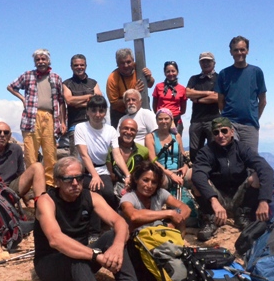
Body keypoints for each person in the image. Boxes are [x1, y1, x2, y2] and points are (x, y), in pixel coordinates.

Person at [33, 157, 166, 281]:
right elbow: (56, 240)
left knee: (112, 236)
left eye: (79, 178)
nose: (75, 183)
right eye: (68, 179)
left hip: (82, 255)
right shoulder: (46, 201)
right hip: (51, 264)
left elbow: (119, 221)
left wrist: (118, 246)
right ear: (57, 181)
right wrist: (97, 256)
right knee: (77, 258)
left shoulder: (91, 197)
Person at [192, 117, 274, 241]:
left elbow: (266, 169)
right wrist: (213, 201)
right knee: (193, 178)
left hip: (238, 197)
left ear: (232, 132)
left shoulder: (242, 149)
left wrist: (264, 200)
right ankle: (211, 218)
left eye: (224, 131)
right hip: (218, 198)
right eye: (216, 132)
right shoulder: (207, 152)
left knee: (256, 177)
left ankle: (242, 215)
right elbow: (198, 175)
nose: (220, 135)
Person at [7, 49, 66, 187]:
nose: (40, 62)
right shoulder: (28, 75)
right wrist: (23, 98)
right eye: (38, 60)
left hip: (50, 117)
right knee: (30, 154)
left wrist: (63, 122)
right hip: (31, 117)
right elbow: (11, 87)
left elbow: (61, 101)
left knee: (50, 153)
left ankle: (50, 184)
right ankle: (33, 185)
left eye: (43, 59)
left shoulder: (56, 77)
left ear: (48, 61)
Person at [74, 96, 130, 237]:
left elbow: (116, 155)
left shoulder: (110, 130)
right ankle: (94, 233)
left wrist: (128, 175)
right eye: (93, 110)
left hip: (101, 169)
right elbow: (84, 155)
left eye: (101, 110)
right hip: (83, 170)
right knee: (96, 190)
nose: (97, 114)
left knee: (110, 194)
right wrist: (94, 176)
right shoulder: (81, 128)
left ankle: (111, 222)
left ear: (105, 112)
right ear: (87, 111)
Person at [215, 36, 267, 154]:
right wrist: (226, 119)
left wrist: (254, 118)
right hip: (230, 123)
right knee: (231, 158)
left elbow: (263, 101)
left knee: (251, 160)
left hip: (250, 125)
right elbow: (220, 101)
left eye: (242, 49)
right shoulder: (224, 74)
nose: (239, 53)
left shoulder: (256, 72)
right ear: (231, 52)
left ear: (247, 50)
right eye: (236, 50)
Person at [119, 161, 191, 235]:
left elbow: (185, 208)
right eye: (145, 180)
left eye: (154, 182)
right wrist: (169, 213)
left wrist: (174, 222)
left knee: (180, 222)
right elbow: (134, 216)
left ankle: (179, 243)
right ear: (136, 179)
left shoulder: (160, 193)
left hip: (155, 235)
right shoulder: (128, 198)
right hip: (134, 238)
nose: (149, 185)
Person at [63, 54, 103, 157]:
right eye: (76, 65)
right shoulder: (66, 84)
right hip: (75, 125)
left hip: (93, 124)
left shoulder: (93, 83)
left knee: (94, 156)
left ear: (86, 66)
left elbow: (99, 101)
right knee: (76, 157)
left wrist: (77, 102)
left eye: (82, 65)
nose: (79, 67)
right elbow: (69, 100)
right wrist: (89, 97)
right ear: (71, 67)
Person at [106, 48, 155, 128]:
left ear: (133, 61)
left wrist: (149, 77)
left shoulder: (139, 68)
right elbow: (114, 104)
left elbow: (150, 84)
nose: (126, 65)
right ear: (117, 64)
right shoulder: (112, 78)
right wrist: (133, 93)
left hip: (141, 109)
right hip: (120, 113)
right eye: (122, 63)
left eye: (128, 62)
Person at [186, 52, 220, 162]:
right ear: (199, 63)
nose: (205, 63)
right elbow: (187, 93)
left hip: (213, 119)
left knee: (215, 149)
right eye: (203, 61)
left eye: (208, 61)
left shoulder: (219, 78)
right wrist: (208, 93)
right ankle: (197, 173)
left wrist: (197, 98)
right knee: (194, 151)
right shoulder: (194, 78)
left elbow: (217, 97)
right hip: (196, 120)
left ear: (214, 63)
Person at [144, 108, 190, 191]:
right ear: (156, 121)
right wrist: (171, 174)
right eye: (160, 119)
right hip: (161, 172)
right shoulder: (150, 137)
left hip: (178, 171)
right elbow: (152, 160)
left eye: (166, 118)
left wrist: (185, 167)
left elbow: (184, 156)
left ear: (171, 120)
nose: (163, 121)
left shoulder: (177, 136)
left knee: (197, 174)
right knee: (158, 181)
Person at [107, 118, 149, 183]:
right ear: (119, 129)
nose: (129, 132)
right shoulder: (108, 146)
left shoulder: (144, 151)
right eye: (126, 128)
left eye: (132, 130)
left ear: (136, 132)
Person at [152, 61, 187, 135]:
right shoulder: (158, 86)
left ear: (177, 72)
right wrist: (162, 115)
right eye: (168, 71)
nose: (171, 74)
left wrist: (173, 115)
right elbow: (154, 106)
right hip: (162, 121)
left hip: (176, 121)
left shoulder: (182, 89)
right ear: (164, 73)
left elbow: (183, 109)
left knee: (176, 144)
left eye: (173, 71)